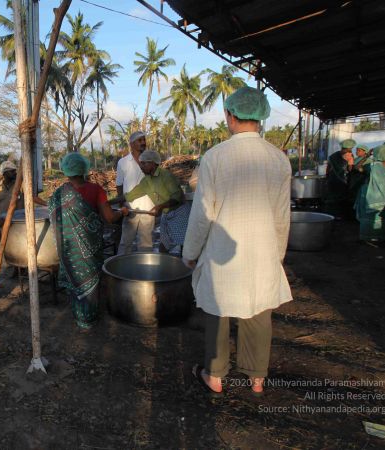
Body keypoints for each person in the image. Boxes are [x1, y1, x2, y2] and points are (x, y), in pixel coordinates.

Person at [182, 86, 292, 397]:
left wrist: (189, 253)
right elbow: (283, 216)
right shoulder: (279, 160)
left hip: (222, 253)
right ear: (261, 117)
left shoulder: (215, 157)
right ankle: (257, 376)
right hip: (262, 252)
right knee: (258, 311)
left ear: (230, 116)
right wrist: (278, 254)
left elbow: (202, 214)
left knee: (218, 311)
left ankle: (215, 375)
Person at [48, 153, 128, 329]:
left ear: (66, 171)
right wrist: (122, 212)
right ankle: (90, 317)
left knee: (75, 277)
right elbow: (109, 217)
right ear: (84, 169)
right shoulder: (96, 190)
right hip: (91, 248)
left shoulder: (59, 194)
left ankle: (79, 316)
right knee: (91, 277)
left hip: (70, 250)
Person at [123, 150, 190, 253]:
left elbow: (177, 197)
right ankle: (162, 265)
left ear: (153, 163)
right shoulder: (146, 181)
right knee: (163, 244)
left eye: (144, 163)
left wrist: (159, 207)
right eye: (140, 163)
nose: (141, 166)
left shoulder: (166, 176)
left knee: (185, 244)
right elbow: (129, 196)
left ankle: (188, 266)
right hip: (166, 213)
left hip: (179, 212)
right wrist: (107, 203)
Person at [113, 131, 154, 255]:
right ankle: (122, 271)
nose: (143, 142)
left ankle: (146, 270)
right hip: (130, 208)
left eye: (144, 140)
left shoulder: (151, 160)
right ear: (131, 144)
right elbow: (119, 185)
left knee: (146, 244)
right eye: (140, 140)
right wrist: (122, 205)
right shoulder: (123, 162)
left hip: (148, 209)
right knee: (126, 243)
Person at [354, 145, 385, 243]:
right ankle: (382, 237)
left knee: (368, 218)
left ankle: (367, 237)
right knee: (384, 219)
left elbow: (357, 167)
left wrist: (366, 156)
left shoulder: (372, 166)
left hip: (371, 197)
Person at [325, 139, 355, 218]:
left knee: (332, 198)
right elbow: (350, 169)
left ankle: (330, 216)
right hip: (342, 180)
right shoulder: (349, 155)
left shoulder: (333, 155)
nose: (351, 150)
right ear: (349, 148)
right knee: (341, 199)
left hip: (332, 180)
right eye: (351, 148)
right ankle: (340, 216)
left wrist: (327, 177)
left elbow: (328, 168)